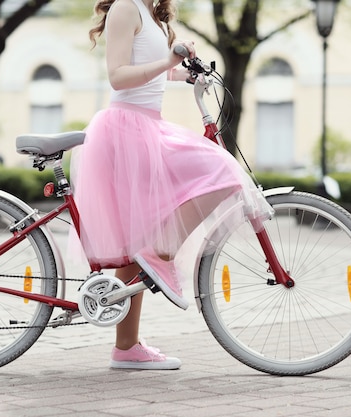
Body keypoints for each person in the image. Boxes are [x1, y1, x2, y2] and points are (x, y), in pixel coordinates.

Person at [70, 0, 273, 370]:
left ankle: (126, 347)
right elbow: (118, 76)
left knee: (136, 240)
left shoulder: (151, 15)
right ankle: (162, 251)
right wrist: (168, 61)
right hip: (127, 131)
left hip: (145, 127)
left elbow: (149, 76)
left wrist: (185, 74)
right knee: (223, 171)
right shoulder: (125, 9)